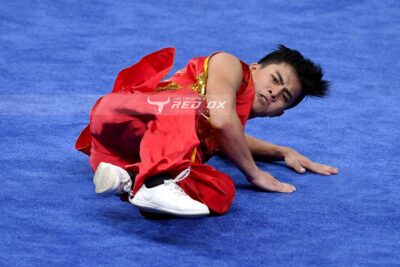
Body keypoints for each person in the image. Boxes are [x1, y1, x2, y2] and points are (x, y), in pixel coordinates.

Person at [75, 45, 338, 218]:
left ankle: (128, 180)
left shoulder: (231, 119)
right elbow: (222, 120)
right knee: (189, 104)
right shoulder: (230, 64)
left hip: (118, 158)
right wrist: (255, 174)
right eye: (275, 80)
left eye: (285, 97)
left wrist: (281, 152)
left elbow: (229, 134)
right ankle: (154, 183)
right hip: (119, 116)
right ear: (255, 68)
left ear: (278, 113)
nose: (274, 93)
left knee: (222, 190)